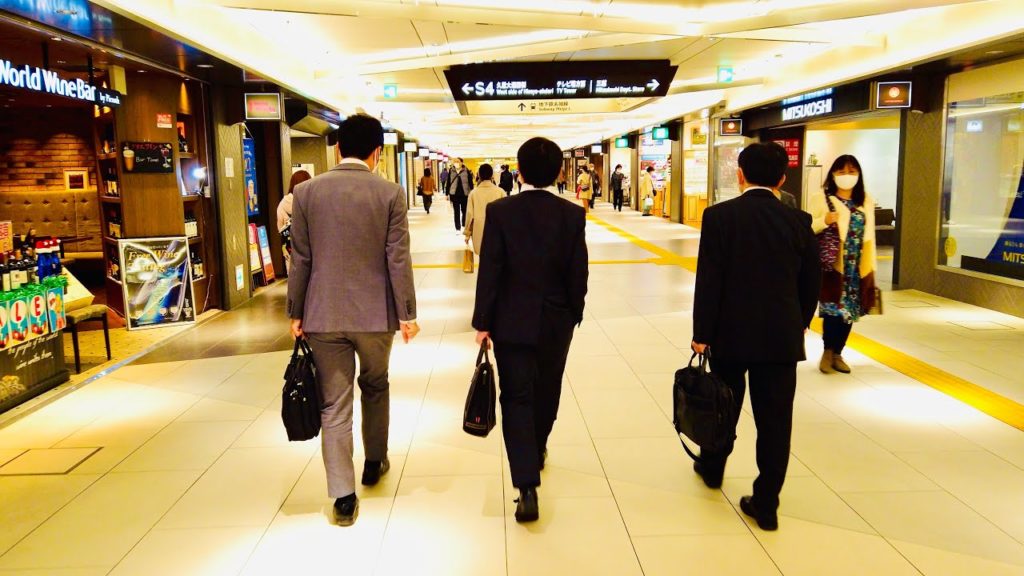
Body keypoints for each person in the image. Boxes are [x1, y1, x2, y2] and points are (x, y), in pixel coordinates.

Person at [287, 114, 420, 527]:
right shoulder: (391, 193)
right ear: (377, 153)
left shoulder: (306, 193)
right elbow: (397, 258)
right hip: (375, 316)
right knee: (375, 385)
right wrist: (407, 315)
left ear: (338, 148)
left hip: (323, 314)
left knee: (334, 401)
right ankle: (374, 460)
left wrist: (295, 311)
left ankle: (343, 496)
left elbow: (301, 259)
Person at [690, 142, 820, 532]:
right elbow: (810, 280)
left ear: (739, 175)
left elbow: (708, 280)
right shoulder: (799, 221)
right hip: (780, 339)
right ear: (782, 179)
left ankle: (713, 468)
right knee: (775, 420)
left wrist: (702, 333)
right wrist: (799, 322)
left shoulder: (718, 217)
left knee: (722, 406)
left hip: (730, 334)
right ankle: (766, 503)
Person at [473, 137, 588, 524]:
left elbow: (491, 269)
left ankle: (526, 485)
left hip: (510, 321)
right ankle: (537, 447)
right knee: (548, 389)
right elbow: (579, 272)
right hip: (556, 320)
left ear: (518, 172)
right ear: (559, 172)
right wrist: (574, 312)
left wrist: (483, 322)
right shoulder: (572, 215)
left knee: (516, 396)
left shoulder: (501, 211)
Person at [808, 155, 877, 375]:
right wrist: (824, 220)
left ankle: (838, 353)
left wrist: (871, 266)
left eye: (851, 171)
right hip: (833, 265)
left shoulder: (866, 200)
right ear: (832, 175)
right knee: (832, 310)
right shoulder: (821, 198)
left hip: (857, 266)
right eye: (841, 171)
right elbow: (807, 228)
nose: (847, 176)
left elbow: (870, 236)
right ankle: (827, 352)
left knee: (850, 311)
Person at [464, 164, 506, 255]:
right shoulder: (500, 192)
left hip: (478, 229)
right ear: (492, 175)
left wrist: (467, 233)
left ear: (479, 175)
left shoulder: (473, 193)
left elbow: (469, 214)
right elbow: (506, 214)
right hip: (497, 230)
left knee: (482, 256)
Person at [277, 170, 312, 274]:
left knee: (293, 275)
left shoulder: (283, 204)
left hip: (290, 247)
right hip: (309, 246)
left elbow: (280, 226)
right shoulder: (309, 201)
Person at [448, 158, 473, 231]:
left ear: (461, 163)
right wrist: (447, 194)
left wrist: (472, 191)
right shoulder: (451, 170)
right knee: (456, 211)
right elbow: (449, 182)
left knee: (464, 210)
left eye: (457, 162)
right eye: (455, 162)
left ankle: (464, 223)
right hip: (454, 194)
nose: (456, 163)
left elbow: (470, 181)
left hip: (464, 194)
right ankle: (457, 227)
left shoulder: (466, 170)